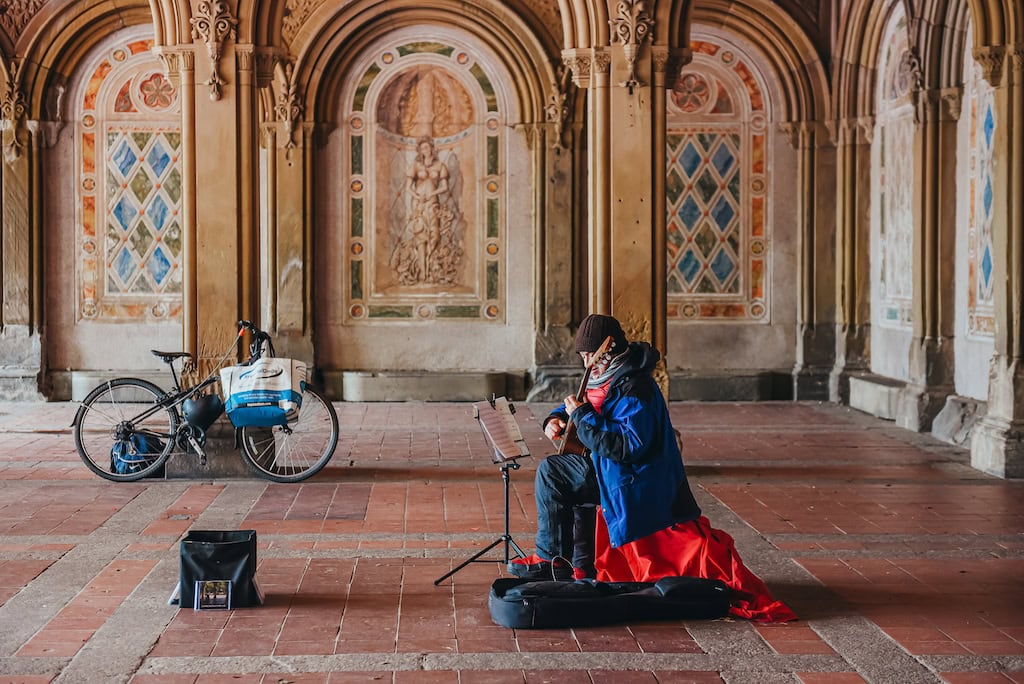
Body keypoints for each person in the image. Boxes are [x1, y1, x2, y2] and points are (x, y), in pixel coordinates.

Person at [509, 313, 796, 623]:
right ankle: (567, 565)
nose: (586, 363)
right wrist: (556, 419)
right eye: (583, 356)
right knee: (558, 474)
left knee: (553, 473)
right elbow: (584, 401)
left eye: (590, 355)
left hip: (632, 478)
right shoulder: (605, 375)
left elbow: (626, 448)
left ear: (610, 349)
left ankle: (551, 558)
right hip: (607, 468)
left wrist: (582, 418)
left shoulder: (636, 387)